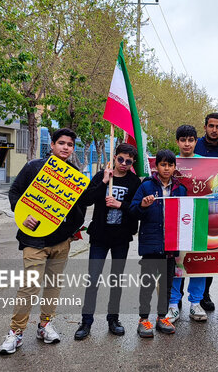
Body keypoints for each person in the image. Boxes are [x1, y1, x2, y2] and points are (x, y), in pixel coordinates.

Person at [0, 128, 86, 355]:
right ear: (53, 145)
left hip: (61, 243)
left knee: (53, 286)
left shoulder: (74, 174)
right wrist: (22, 214)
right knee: (29, 287)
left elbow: (79, 208)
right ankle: (16, 333)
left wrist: (70, 231)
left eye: (70, 144)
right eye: (62, 143)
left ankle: (45, 325)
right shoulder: (34, 167)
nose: (66, 147)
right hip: (34, 240)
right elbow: (15, 192)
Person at [73, 143, 141, 340]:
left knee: (116, 280)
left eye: (128, 161)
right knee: (93, 279)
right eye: (120, 159)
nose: (123, 164)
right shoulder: (103, 175)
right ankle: (86, 322)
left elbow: (136, 210)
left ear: (132, 163)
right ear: (115, 157)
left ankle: (113, 319)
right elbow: (85, 200)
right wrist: (103, 182)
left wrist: (120, 204)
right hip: (100, 237)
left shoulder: (134, 181)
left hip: (121, 238)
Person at [130, 150, 185, 337]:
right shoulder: (146, 186)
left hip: (170, 245)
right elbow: (133, 211)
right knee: (147, 284)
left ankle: (162, 317)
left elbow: (186, 215)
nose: (167, 168)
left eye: (170, 165)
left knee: (167, 284)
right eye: (163, 165)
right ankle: (143, 319)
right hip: (151, 243)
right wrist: (143, 206)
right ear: (156, 166)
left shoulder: (180, 189)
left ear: (175, 167)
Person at [167, 125, 207, 323]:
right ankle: (173, 304)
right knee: (176, 262)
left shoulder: (207, 163)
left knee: (198, 261)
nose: (187, 143)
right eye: (183, 140)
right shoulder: (169, 163)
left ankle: (195, 303)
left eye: (191, 140)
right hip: (176, 219)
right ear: (177, 142)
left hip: (200, 218)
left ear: (196, 141)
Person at [194, 113, 218, 311]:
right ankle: (178, 295)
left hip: (212, 209)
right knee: (185, 252)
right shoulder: (193, 145)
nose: (214, 129)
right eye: (211, 126)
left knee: (209, 253)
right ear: (205, 126)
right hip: (190, 207)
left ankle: (204, 294)